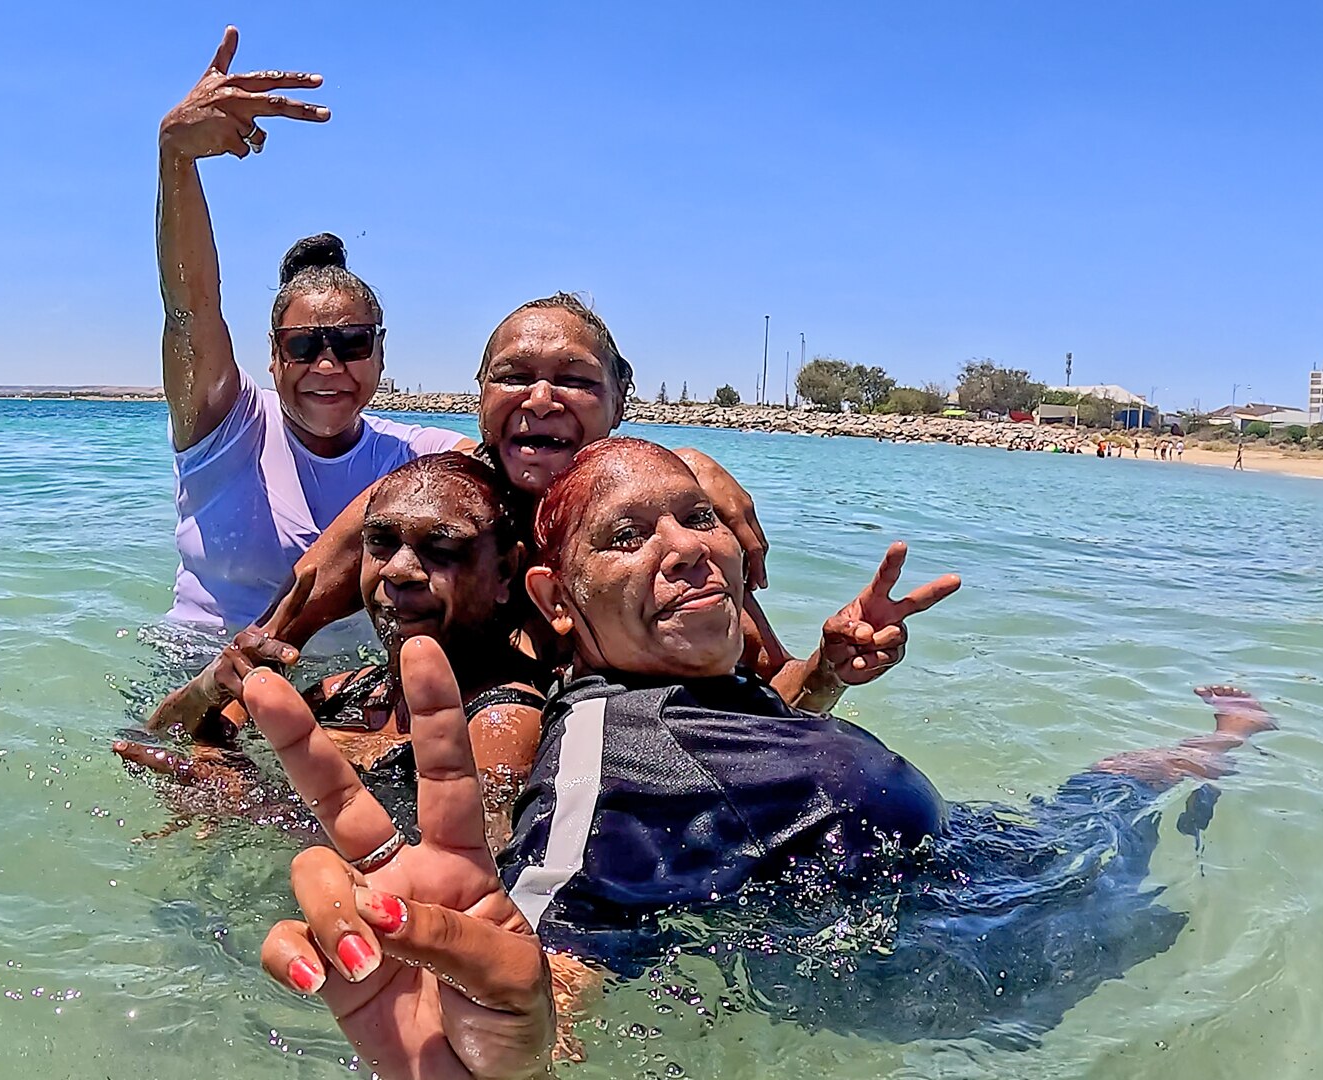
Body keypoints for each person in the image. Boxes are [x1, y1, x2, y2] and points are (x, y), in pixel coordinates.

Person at [239, 439, 1279, 1069]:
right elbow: (554, 950)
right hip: (985, 987)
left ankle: (1206, 749)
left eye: (699, 519)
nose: (686, 547)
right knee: (1130, 795)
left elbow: (736, 759)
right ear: (557, 599)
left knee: (1128, 781)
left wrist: (821, 668)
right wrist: (503, 1030)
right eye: (627, 536)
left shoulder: (702, 687)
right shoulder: (603, 760)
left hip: (1001, 880)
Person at [150, 294, 950, 731]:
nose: (540, 396)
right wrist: (198, 735)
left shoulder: (663, 532)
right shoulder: (424, 516)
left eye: (573, 378)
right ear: (481, 400)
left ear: (617, 406)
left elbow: (773, 700)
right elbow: (256, 660)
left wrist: (834, 670)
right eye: (513, 375)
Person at [156, 27, 470, 631]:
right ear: (274, 358)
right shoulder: (224, 427)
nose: (328, 366)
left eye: (352, 343)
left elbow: (525, 463)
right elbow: (188, 308)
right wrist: (175, 158)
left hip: (342, 697)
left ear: (380, 355)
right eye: (304, 346)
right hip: (194, 682)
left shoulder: (414, 457)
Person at [117, 452, 545, 846]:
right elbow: (163, 735)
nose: (398, 570)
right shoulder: (348, 691)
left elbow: (458, 874)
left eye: (442, 549)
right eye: (380, 541)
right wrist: (212, 688)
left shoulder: (500, 722)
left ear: (506, 571)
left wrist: (254, 805)